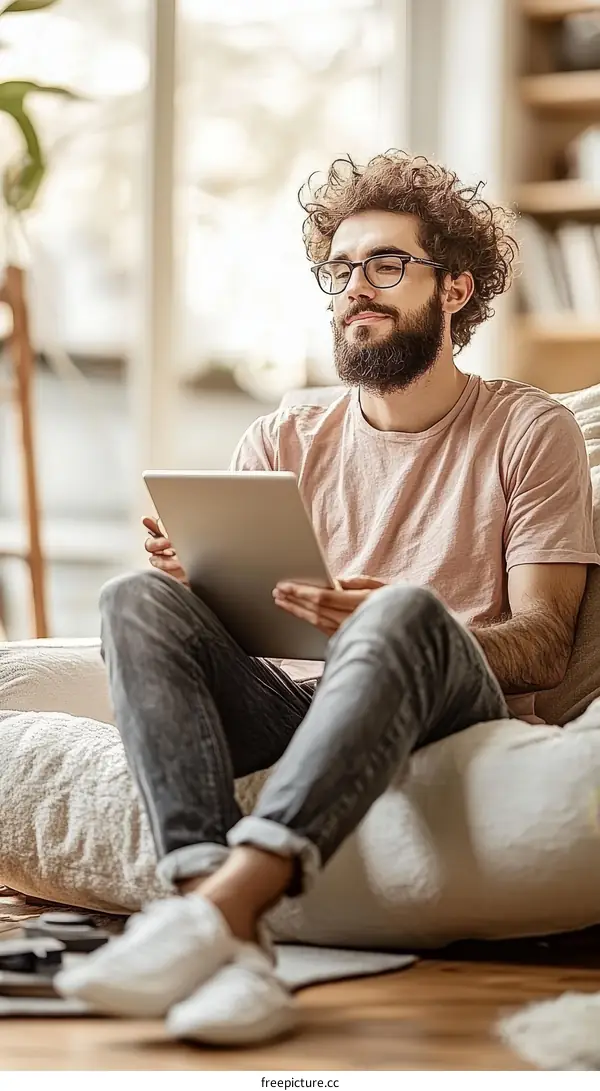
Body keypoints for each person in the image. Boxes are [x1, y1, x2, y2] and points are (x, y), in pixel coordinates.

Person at [56, 151, 600, 1044]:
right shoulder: (284, 431)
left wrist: (395, 616)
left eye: (387, 264)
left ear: (455, 288)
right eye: (340, 269)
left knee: (401, 611)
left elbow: (543, 643)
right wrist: (200, 586)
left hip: (452, 706)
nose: (356, 287)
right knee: (134, 598)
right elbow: (234, 633)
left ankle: (230, 901)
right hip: (299, 702)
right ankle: (218, 926)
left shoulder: (528, 429)